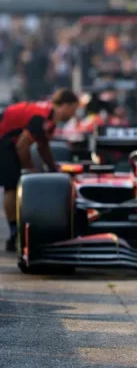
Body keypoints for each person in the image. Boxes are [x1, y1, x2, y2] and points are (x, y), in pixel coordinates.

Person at [0, 89, 81, 250]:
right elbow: (22, 146)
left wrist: (53, 168)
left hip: (9, 140)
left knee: (15, 181)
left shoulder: (49, 117)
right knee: (11, 185)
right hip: (4, 140)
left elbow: (43, 145)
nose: (74, 114)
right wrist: (30, 171)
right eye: (74, 109)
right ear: (65, 105)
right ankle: (14, 231)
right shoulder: (41, 116)